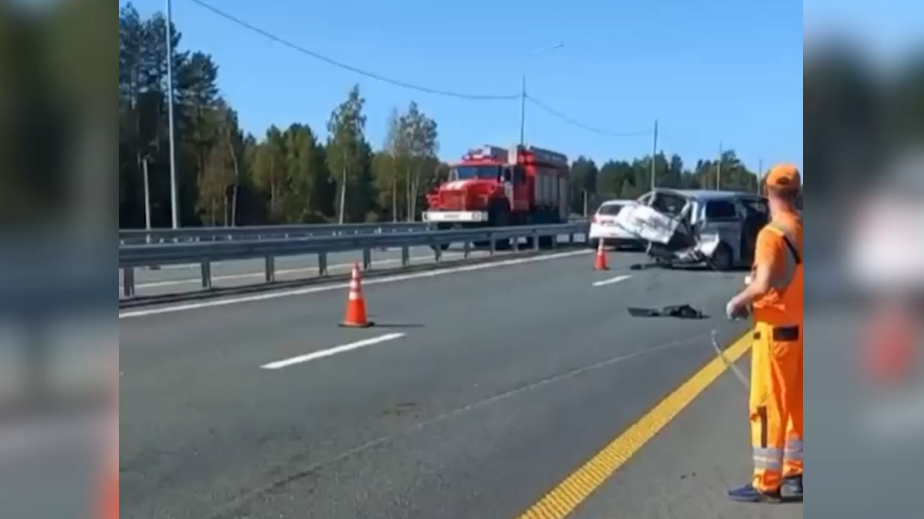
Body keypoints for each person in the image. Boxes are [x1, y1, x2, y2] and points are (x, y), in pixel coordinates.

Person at [725, 163, 803, 503]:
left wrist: (738, 301)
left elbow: (765, 281)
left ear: (769, 193)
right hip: (802, 330)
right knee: (797, 404)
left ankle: (766, 482)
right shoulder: (804, 229)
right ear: (796, 193)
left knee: (768, 406)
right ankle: (795, 470)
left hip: (775, 334)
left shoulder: (771, 234)